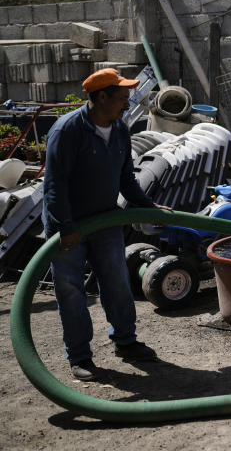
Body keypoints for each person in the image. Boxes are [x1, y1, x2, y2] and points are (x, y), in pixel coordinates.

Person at [43, 68, 165, 380]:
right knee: (71, 290)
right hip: (68, 224)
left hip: (106, 219)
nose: (127, 103)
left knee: (117, 281)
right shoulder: (67, 131)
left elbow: (127, 179)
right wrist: (64, 228)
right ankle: (80, 357)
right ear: (101, 97)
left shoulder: (120, 130)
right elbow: (54, 186)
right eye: (122, 98)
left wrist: (148, 208)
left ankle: (125, 341)